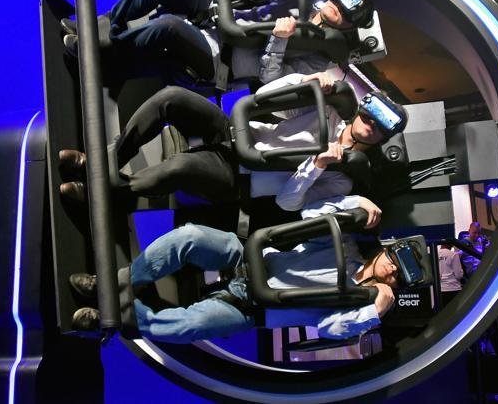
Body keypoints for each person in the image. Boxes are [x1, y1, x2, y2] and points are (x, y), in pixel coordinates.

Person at [60, 71, 407, 216]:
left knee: (179, 167)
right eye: (369, 117)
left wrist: (316, 166)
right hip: (236, 133)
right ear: (362, 109)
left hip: (239, 177)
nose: (369, 126)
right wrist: (304, 83)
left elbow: (289, 204)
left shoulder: (343, 178)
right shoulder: (327, 113)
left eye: (379, 129)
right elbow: (267, 97)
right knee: (172, 97)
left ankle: (101, 193)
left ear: (383, 139)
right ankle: (101, 162)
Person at [69, 196, 400, 342]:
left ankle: (112, 318)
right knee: (190, 236)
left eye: (401, 275)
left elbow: (330, 329)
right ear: (387, 248)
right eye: (397, 260)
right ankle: (114, 284)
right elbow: (313, 214)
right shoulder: (345, 245)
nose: (393, 270)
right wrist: (355, 204)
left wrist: (375, 311)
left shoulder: (359, 305)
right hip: (248, 257)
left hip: (253, 307)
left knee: (191, 326)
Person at [62, 0, 369, 84]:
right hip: (218, 16)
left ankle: (97, 53)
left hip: (221, 60)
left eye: (345, 12)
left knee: (167, 28)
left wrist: (280, 39)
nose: (335, 8)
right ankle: (105, 28)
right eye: (337, 0)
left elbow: (271, 80)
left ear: (349, 25)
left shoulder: (319, 60)